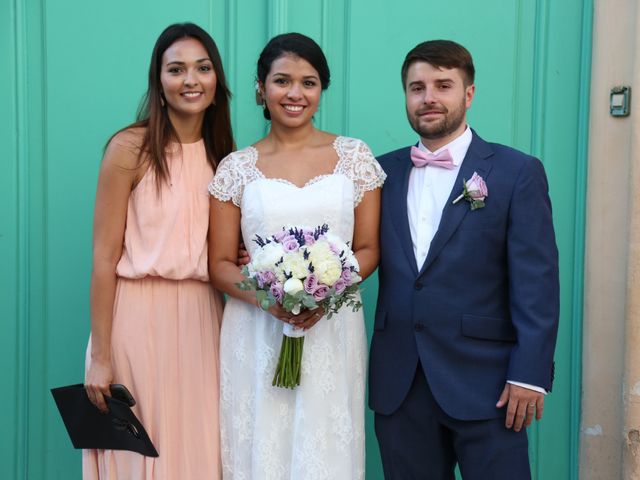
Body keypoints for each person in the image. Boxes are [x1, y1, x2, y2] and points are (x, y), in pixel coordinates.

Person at [369, 40, 559, 479]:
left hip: (490, 386)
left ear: (468, 94)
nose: (429, 97)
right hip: (401, 384)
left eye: (443, 85)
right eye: (417, 87)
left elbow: (538, 282)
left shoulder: (516, 172)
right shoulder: (380, 174)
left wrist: (529, 375)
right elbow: (342, 245)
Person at [208, 32, 385, 479]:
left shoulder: (354, 157)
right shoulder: (236, 167)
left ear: (321, 89)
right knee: (261, 443)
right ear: (261, 88)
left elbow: (368, 248)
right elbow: (221, 264)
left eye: (308, 82)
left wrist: (325, 292)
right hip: (257, 327)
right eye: (282, 81)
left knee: (326, 443)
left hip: (331, 324)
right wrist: (269, 300)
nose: (295, 94)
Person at [83, 22, 233, 479]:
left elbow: (223, 251)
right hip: (136, 320)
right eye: (177, 69)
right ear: (159, 82)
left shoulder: (227, 158)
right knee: (139, 456)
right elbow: (103, 259)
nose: (191, 80)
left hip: (203, 321)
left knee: (199, 451)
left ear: (216, 81)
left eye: (202, 68)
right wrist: (101, 356)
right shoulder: (130, 149)